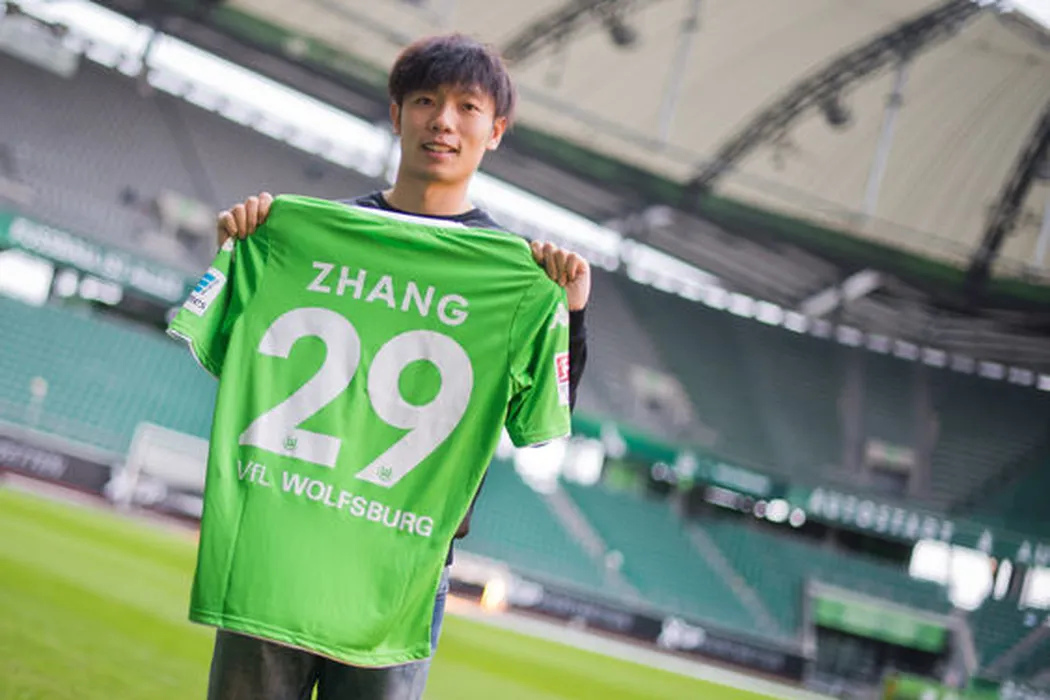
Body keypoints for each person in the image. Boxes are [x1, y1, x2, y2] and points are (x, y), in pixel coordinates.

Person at [206, 34, 591, 700]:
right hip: (281, 538)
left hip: (402, 566)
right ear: (397, 114)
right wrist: (242, 256)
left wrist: (572, 315)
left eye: (467, 107)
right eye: (425, 101)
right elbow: (238, 361)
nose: (443, 121)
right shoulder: (305, 236)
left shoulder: (517, 276)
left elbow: (542, 419)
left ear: (495, 131)